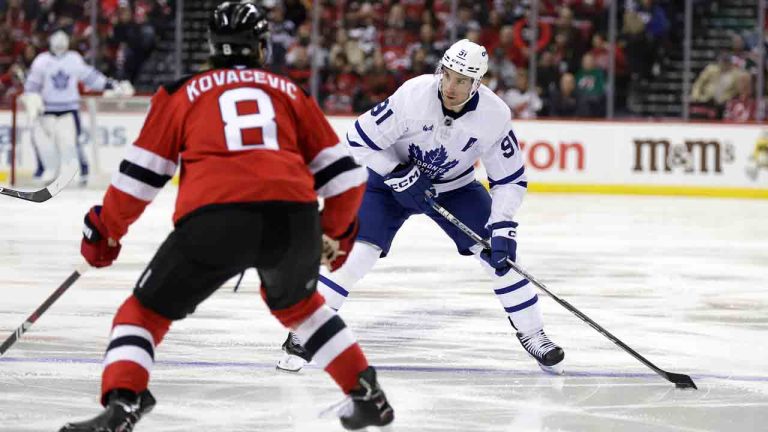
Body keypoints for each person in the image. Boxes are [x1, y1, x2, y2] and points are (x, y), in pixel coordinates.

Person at [59, 2, 394, 431]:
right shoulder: (290, 92)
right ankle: (367, 394)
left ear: (213, 46)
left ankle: (123, 405)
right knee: (302, 309)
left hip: (214, 218)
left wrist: (104, 232)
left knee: (142, 314)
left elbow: (139, 178)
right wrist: (336, 235)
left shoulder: (181, 93)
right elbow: (346, 177)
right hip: (292, 218)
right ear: (261, 47)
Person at [277, 39, 565, 375]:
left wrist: (502, 225)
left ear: (478, 84)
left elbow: (510, 179)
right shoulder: (413, 96)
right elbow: (356, 142)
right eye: (448, 75)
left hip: (454, 190)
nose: (451, 86)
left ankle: (533, 334)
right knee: (356, 255)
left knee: (501, 259)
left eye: (462, 80)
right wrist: (397, 173)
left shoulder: (494, 115)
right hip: (387, 184)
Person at [20, 29, 134, 186]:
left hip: (69, 108)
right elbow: (32, 85)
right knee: (43, 143)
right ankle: (45, 170)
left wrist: (110, 85)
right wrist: (31, 98)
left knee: (73, 142)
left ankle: (82, 171)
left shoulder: (73, 59)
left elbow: (91, 77)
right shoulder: (42, 61)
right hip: (47, 109)